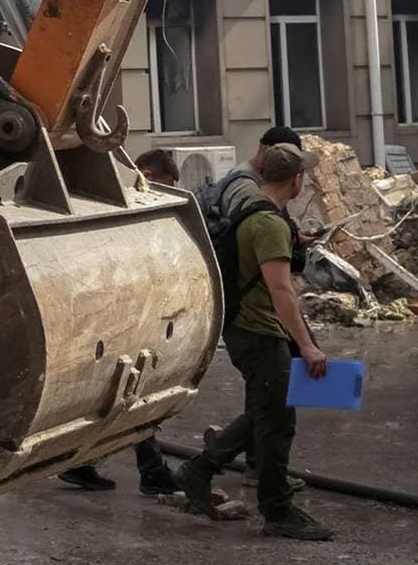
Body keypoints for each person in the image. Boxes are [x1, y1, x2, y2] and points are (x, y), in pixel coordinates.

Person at [174, 143, 333, 542]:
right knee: (278, 422)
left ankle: (199, 470)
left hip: (252, 328)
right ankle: (277, 510)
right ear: (296, 181)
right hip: (258, 331)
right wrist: (308, 346)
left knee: (268, 411)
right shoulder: (269, 224)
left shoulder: (258, 209)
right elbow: (281, 290)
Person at [60, 149, 184, 495]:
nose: (157, 195)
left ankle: (83, 464)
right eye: (160, 185)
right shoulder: (110, 199)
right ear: (144, 172)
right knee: (129, 394)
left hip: (111, 315)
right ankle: (151, 472)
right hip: (107, 316)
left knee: (120, 395)